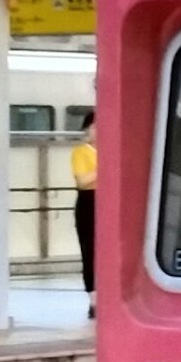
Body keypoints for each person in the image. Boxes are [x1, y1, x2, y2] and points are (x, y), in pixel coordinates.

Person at [69, 125, 100, 302]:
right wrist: (104, 166)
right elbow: (83, 181)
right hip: (89, 201)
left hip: (109, 200)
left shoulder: (114, 150)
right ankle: (93, 297)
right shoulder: (80, 152)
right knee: (89, 249)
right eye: (92, 128)